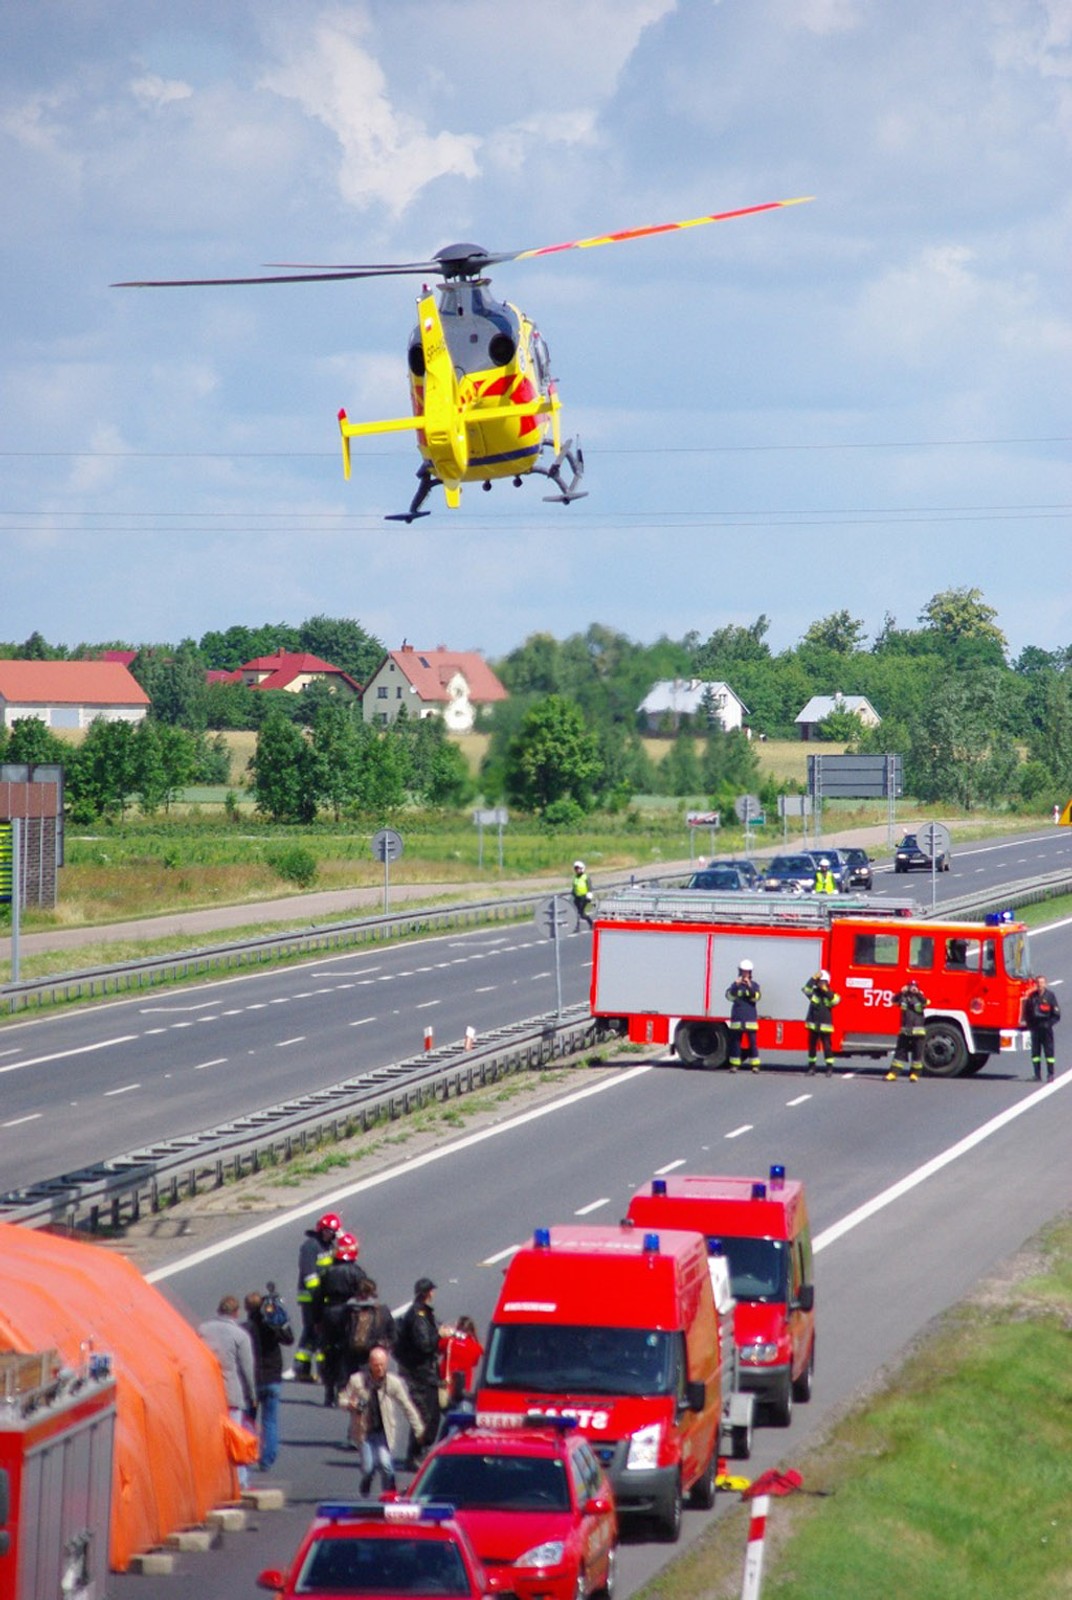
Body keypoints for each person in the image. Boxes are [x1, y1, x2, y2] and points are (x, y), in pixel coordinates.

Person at [338, 1345, 425, 1495]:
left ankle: (389, 1494)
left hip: (383, 1432)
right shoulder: (357, 1380)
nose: (379, 1368)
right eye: (376, 1365)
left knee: (386, 1464)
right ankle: (367, 1478)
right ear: (370, 1364)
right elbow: (341, 1399)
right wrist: (350, 1404)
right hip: (364, 1431)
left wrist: (419, 1429)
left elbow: (407, 1406)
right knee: (368, 1467)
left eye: (382, 1365)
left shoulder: (393, 1383)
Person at [200, 1294, 257, 1489]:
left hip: (207, 1392)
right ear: (235, 1312)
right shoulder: (240, 1336)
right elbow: (247, 1369)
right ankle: (239, 1480)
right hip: (231, 1391)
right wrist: (253, 1394)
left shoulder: (203, 1330)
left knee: (211, 1437)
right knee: (234, 1437)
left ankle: (210, 1480)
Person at [315, 1232, 373, 1408]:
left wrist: (317, 1319)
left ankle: (328, 1391)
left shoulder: (327, 1272)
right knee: (348, 1352)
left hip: (329, 1313)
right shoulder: (357, 1273)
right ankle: (344, 1388)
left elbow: (317, 1298)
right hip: (350, 1315)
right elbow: (365, 1295)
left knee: (329, 1352)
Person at [243, 1286, 295, 1473]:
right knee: (270, 1422)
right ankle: (267, 1459)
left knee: (248, 1420)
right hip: (272, 1378)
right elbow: (289, 1338)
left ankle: (246, 1456)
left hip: (253, 1381)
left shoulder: (246, 1329)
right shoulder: (272, 1324)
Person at [395, 1277, 442, 1458]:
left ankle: (420, 1449)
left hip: (425, 1372)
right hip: (419, 1373)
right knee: (424, 1414)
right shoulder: (418, 1315)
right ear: (428, 1293)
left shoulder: (422, 1313)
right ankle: (414, 1454)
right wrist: (439, 1334)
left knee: (432, 1414)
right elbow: (425, 1344)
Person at [294, 1211, 342, 1384]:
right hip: (311, 1297)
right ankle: (302, 1368)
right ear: (321, 1229)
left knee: (318, 1332)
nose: (331, 1234)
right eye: (328, 1231)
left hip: (322, 1296)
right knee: (312, 1330)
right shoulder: (310, 1246)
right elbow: (309, 1275)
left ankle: (310, 1368)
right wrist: (319, 1294)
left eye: (333, 1232)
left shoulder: (329, 1246)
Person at [438, 1314, 484, 1409]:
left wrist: (443, 1333)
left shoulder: (449, 1341)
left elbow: (438, 1348)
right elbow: (474, 1362)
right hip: (463, 1389)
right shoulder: (475, 1347)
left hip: (445, 1385)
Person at [886, 977, 927, 1082]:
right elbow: (893, 1001)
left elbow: (925, 1003)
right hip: (905, 1031)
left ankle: (915, 1074)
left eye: (914, 986)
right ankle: (893, 1073)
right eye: (910, 986)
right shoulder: (903, 997)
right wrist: (900, 992)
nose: (912, 988)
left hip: (918, 1032)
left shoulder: (920, 997)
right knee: (899, 1053)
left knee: (917, 1054)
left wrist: (918, 994)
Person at [726, 959, 762, 1073]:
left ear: (750, 973)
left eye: (746, 972)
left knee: (752, 1044)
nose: (744, 974)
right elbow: (729, 997)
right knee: (736, 1043)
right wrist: (736, 986)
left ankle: (755, 1065)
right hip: (737, 1019)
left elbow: (756, 997)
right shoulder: (735, 985)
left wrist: (749, 986)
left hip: (750, 1019)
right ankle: (734, 1065)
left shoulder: (755, 985)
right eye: (743, 971)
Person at [803, 968, 840, 1076]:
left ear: (827, 982)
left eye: (822, 982)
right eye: (819, 982)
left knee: (827, 1047)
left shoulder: (831, 993)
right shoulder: (814, 992)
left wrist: (826, 990)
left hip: (825, 1026)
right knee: (812, 1047)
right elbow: (806, 989)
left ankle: (829, 1069)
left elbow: (835, 1001)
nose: (820, 984)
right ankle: (811, 1068)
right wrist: (813, 978)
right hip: (813, 1024)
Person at [1024, 975, 1061, 1081]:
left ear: (1045, 984)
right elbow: (1027, 1012)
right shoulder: (1032, 996)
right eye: (1038, 983)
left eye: (1042, 983)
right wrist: (1030, 1025)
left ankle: (1050, 1074)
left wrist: (1049, 1024)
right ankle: (1037, 1074)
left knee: (1049, 1052)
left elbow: (1056, 1014)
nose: (1040, 985)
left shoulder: (1050, 996)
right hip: (1035, 1028)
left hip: (1046, 1028)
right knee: (1035, 1053)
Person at [571, 860, 594, 931]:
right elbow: (574, 886)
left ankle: (591, 924)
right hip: (577, 897)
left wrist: (589, 896)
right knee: (576, 912)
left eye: (578, 868)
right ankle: (577, 927)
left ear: (582, 868)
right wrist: (573, 893)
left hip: (584, 897)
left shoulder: (585, 877)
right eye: (576, 869)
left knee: (581, 913)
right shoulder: (575, 877)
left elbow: (589, 887)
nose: (577, 870)